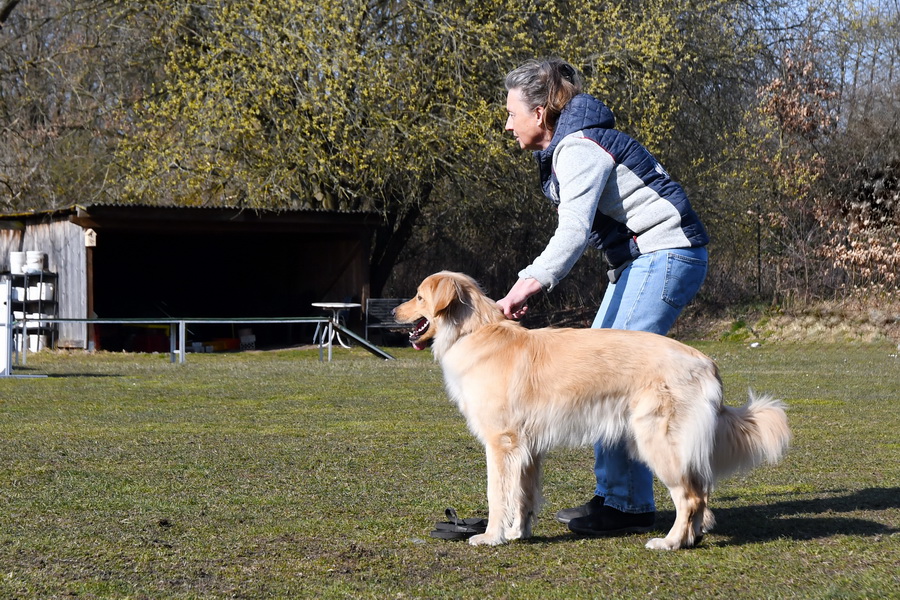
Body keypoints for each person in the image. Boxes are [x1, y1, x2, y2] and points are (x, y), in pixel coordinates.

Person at [496, 58, 710, 536]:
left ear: (541, 113)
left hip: (666, 254)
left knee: (610, 373)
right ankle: (625, 500)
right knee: (602, 373)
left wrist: (526, 283)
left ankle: (627, 505)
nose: (506, 124)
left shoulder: (577, 147)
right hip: (644, 261)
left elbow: (571, 233)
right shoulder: (575, 142)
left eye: (512, 113)